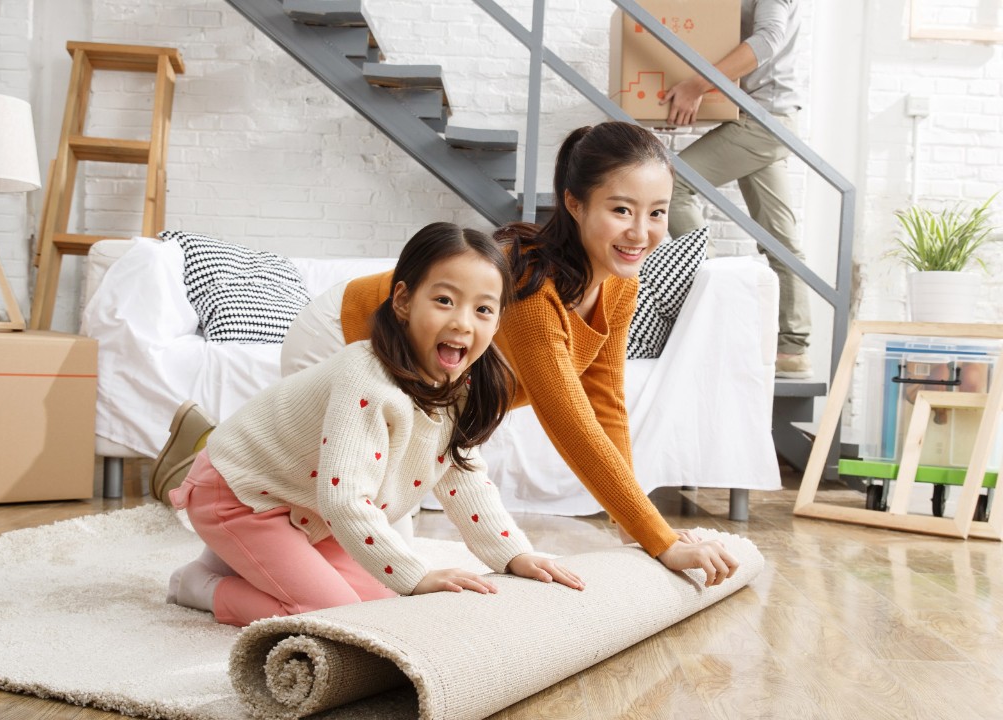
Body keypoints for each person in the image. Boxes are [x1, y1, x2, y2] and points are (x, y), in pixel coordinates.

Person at [286, 122, 739, 587]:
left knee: (377, 537)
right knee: (343, 504)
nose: (641, 232)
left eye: (658, 213)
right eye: (622, 209)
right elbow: (569, 421)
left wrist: (639, 530)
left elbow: (605, 403)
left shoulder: (620, 286)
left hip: (413, 377)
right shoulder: (527, 286)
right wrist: (659, 538)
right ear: (574, 203)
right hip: (341, 336)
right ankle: (224, 563)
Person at [166, 222, 585, 627]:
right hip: (240, 494)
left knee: (381, 610)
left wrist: (514, 555)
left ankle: (237, 559)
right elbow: (345, 500)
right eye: (444, 300)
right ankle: (199, 585)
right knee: (335, 618)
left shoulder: (462, 386)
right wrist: (417, 576)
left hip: (305, 508)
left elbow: (465, 480)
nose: (462, 322)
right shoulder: (365, 375)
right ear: (403, 301)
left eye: (483, 310)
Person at [661, 0, 810, 379]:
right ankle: (792, 349)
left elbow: (768, 40)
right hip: (767, 118)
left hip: (764, 121)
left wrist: (695, 85)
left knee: (672, 185)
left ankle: (720, 296)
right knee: (780, 239)